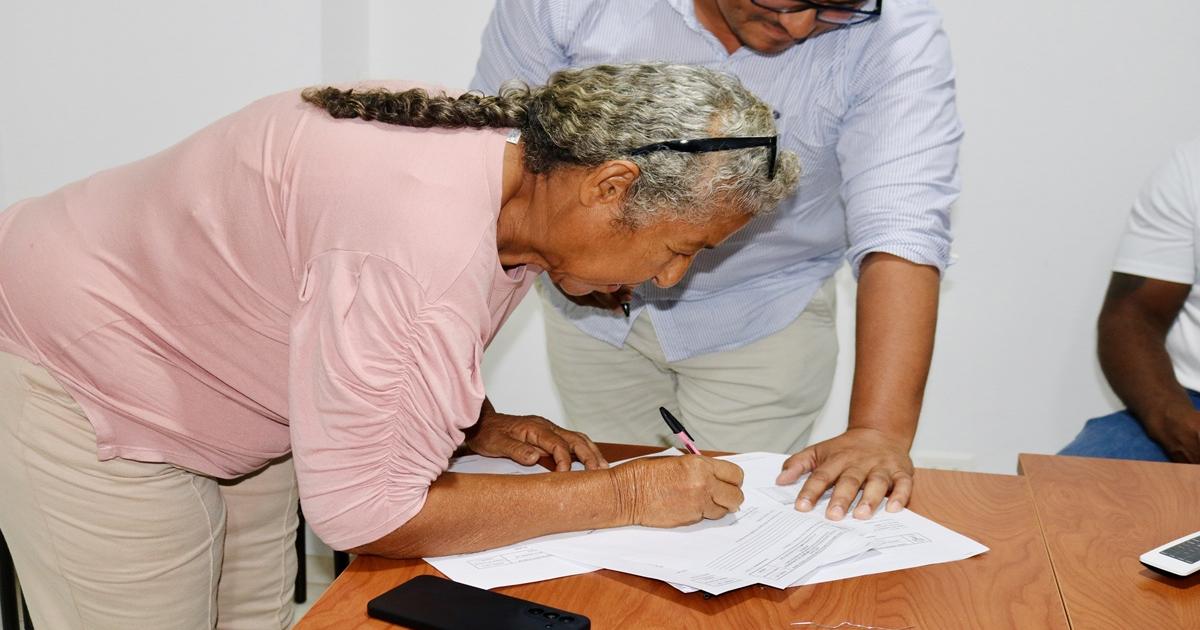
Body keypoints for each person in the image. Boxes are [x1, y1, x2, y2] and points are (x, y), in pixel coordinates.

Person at [0, 63, 798, 629]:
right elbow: (367, 514)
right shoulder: (414, 234)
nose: (670, 276)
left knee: (255, 620)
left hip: (231, 377)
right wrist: (628, 495)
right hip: (85, 372)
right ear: (612, 186)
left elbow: (355, 311)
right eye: (682, 246)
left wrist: (474, 421)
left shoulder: (512, 168)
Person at [471, 0, 962, 521]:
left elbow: (901, 222)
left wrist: (877, 432)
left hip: (762, 315)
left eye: (834, 9)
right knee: (605, 512)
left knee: (735, 522)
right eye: (778, 2)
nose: (797, 26)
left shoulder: (893, 28)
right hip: (591, 317)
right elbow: (496, 159)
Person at [1060, 137, 1200, 465]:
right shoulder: (1192, 165)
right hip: (1191, 404)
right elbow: (1133, 315)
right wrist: (1177, 423)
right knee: (1068, 490)